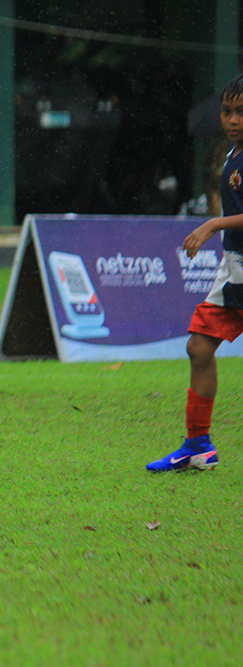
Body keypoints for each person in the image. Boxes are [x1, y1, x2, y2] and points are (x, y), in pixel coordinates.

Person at [147, 73, 243, 472]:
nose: (232, 120)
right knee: (199, 347)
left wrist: (213, 224)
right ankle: (198, 445)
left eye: (241, 112)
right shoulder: (232, 154)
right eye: (227, 111)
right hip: (236, 269)